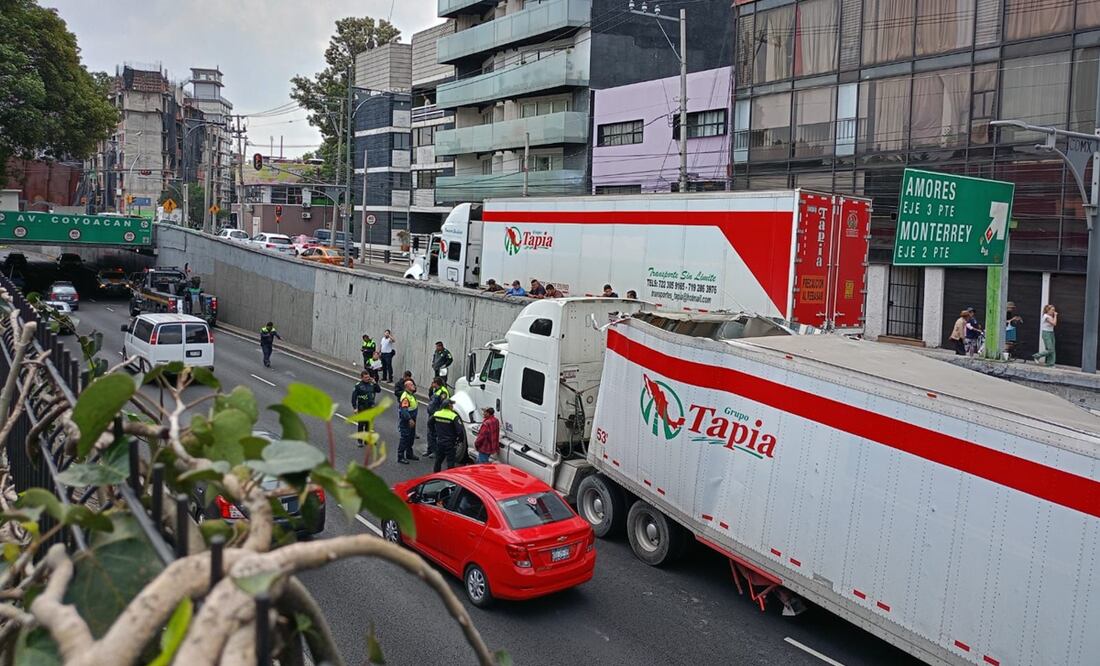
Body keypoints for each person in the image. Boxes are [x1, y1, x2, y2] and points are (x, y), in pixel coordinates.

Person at [432, 399, 465, 473]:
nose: (452, 406)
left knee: (438, 460)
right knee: (450, 462)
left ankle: (435, 475)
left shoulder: (437, 414)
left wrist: (434, 432)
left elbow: (429, 423)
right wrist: (459, 440)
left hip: (440, 441)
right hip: (450, 443)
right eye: (452, 405)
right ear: (449, 406)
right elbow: (460, 431)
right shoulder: (453, 416)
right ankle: (449, 477)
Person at [425, 376, 451, 459]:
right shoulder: (435, 390)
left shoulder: (443, 392)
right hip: (432, 414)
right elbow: (431, 398)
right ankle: (430, 449)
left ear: (436, 383)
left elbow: (443, 404)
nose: (432, 384)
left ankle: (436, 452)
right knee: (430, 433)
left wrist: (439, 414)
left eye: (433, 382)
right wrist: (430, 389)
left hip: (437, 415)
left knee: (435, 434)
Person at [350, 371, 378, 445]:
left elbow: (378, 390)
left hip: (370, 407)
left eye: (368, 377)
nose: (367, 378)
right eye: (365, 377)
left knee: (368, 424)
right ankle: (360, 441)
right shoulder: (358, 386)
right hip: (362, 407)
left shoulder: (372, 384)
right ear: (362, 378)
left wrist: (375, 383)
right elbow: (354, 398)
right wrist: (354, 407)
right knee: (361, 424)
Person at [397, 379, 419, 464]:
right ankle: (400, 456)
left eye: (413, 384)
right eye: (411, 385)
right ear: (406, 387)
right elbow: (404, 410)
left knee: (411, 437)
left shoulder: (411, 395)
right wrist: (409, 419)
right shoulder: (405, 397)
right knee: (405, 438)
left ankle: (409, 454)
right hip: (406, 421)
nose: (413, 386)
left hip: (412, 419)